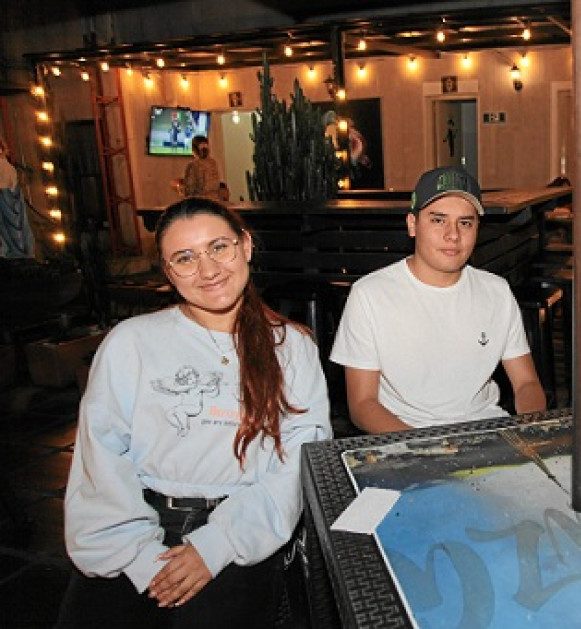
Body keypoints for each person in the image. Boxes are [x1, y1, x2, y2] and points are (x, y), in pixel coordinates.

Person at [56, 197, 331, 628]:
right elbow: (102, 456)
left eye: (218, 247)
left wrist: (215, 545)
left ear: (245, 246)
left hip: (240, 527)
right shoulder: (132, 342)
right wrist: (141, 555)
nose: (207, 270)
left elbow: (298, 462)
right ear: (167, 272)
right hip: (134, 524)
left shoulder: (291, 346)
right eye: (185, 258)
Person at [330, 166, 547, 433]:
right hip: (405, 435)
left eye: (465, 223)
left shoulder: (496, 292)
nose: (453, 235)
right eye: (438, 220)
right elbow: (362, 405)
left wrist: (531, 428)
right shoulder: (370, 295)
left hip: (485, 429)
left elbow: (526, 383)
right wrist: (426, 448)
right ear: (413, 225)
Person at [182, 135, 223, 200]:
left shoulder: (192, 165)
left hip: (199, 204)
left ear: (193, 149)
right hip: (215, 202)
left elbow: (190, 190)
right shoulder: (213, 163)